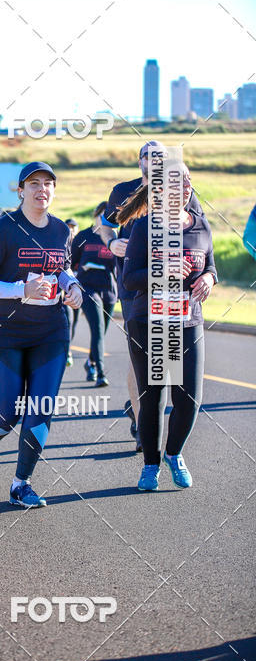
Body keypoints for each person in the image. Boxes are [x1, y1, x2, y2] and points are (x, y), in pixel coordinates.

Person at [0, 162, 83, 508]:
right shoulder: (4, 228)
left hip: (50, 331)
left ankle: (21, 484)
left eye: (48, 183)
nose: (42, 189)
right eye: (34, 183)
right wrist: (22, 289)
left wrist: (72, 284)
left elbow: (59, 268)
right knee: (6, 413)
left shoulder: (60, 229)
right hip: (3, 331)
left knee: (41, 408)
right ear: (21, 190)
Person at [97, 140, 204, 448]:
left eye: (159, 156)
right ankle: (146, 423)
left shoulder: (181, 189)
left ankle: (149, 417)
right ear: (139, 160)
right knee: (140, 355)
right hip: (134, 282)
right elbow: (103, 226)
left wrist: (203, 272)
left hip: (172, 286)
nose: (153, 160)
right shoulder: (122, 191)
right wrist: (110, 243)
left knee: (167, 353)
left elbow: (197, 228)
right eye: (147, 155)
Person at [121, 163, 216, 491]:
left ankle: (173, 454)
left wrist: (208, 278)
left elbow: (212, 266)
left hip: (188, 320)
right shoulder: (145, 227)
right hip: (149, 320)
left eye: (188, 181)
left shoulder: (201, 225)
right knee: (153, 397)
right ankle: (150, 465)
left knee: (189, 398)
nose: (185, 187)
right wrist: (163, 271)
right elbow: (130, 279)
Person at [71, 202, 116, 387]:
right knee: (97, 328)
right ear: (96, 215)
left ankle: (90, 362)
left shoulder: (114, 238)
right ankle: (100, 372)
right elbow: (70, 262)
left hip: (109, 290)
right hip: (87, 288)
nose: (107, 219)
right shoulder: (83, 236)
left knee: (101, 333)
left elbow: (120, 267)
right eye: (104, 215)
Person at [64, 218, 80, 366]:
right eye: (68, 227)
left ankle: (68, 346)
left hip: (78, 287)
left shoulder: (81, 242)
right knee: (68, 320)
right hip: (65, 288)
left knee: (74, 321)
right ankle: (66, 351)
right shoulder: (63, 242)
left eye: (73, 227)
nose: (71, 229)